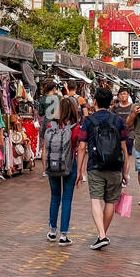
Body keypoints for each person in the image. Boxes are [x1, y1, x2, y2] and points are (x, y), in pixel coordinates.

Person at [83, 87, 128, 250]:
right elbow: (124, 147)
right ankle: (102, 234)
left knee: (96, 199)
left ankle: (102, 235)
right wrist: (126, 169)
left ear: (94, 101)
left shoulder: (88, 121)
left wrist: (80, 169)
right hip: (115, 166)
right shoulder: (118, 121)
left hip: (95, 165)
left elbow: (82, 147)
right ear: (111, 102)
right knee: (110, 201)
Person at [44, 95, 83, 245]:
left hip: (53, 164)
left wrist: (45, 166)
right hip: (69, 164)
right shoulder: (76, 128)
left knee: (55, 198)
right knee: (67, 199)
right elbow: (80, 149)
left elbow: (45, 147)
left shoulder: (50, 126)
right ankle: (63, 235)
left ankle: (52, 231)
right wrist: (80, 171)